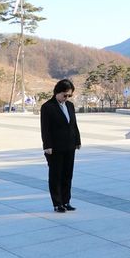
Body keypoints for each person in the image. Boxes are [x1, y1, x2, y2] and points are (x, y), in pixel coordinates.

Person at [40, 79, 81, 213]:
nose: (67, 98)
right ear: (57, 92)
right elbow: (45, 129)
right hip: (55, 147)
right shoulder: (47, 107)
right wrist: (47, 145)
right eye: (65, 95)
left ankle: (66, 201)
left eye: (69, 95)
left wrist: (77, 140)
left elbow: (73, 124)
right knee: (56, 175)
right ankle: (57, 203)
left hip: (69, 145)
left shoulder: (70, 106)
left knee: (67, 175)